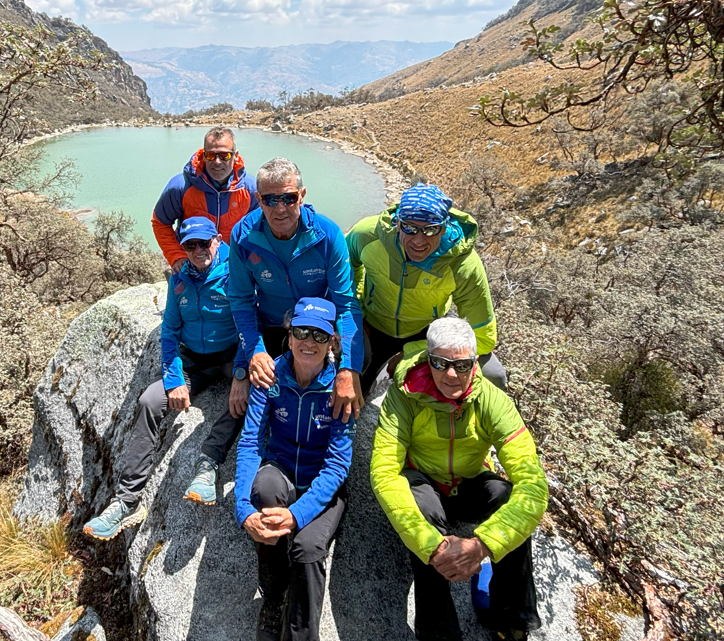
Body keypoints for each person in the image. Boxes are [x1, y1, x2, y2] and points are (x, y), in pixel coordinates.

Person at [370, 317, 569, 641]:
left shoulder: (492, 400)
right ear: (427, 360)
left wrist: (483, 545)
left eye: (462, 364)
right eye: (440, 363)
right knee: (421, 510)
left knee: (505, 493)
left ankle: (512, 638)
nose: (451, 373)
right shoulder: (404, 395)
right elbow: (384, 472)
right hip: (424, 480)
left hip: (468, 481)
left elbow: (532, 484)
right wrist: (432, 546)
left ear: (475, 364)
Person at [83, 218, 251, 540]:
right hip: (195, 361)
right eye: (191, 245)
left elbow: (248, 325)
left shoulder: (236, 273)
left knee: (255, 388)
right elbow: (170, 333)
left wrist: (242, 373)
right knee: (149, 400)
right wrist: (174, 380)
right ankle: (126, 501)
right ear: (183, 247)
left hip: (231, 356)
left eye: (204, 243)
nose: (199, 250)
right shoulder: (180, 281)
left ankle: (207, 464)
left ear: (217, 240)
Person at [234, 297, 354, 641]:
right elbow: (250, 441)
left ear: (331, 342)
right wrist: (243, 508)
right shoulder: (271, 379)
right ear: (288, 337)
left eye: (318, 334)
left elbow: (338, 466)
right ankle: (273, 596)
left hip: (323, 488)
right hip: (283, 471)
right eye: (301, 331)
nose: (308, 341)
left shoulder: (339, 390)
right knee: (265, 490)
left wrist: (298, 515)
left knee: (306, 549)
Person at [227, 157, 365, 423]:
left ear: (301, 196)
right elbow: (241, 300)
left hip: (320, 327)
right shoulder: (242, 236)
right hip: (272, 326)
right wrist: (253, 353)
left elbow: (346, 305)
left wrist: (349, 369)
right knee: (247, 399)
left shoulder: (327, 234)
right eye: (270, 199)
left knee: (359, 362)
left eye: (288, 198)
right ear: (258, 199)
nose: (280, 208)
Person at [347, 183, 507, 395]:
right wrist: (357, 313)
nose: (418, 241)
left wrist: (415, 352)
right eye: (409, 228)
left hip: (426, 332)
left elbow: (483, 337)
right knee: (354, 388)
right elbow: (347, 269)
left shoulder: (462, 263)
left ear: (443, 228)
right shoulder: (367, 235)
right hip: (373, 324)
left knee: (494, 375)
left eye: (431, 230)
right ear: (397, 223)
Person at [152, 125, 258, 271]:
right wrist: (176, 256)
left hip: (233, 265)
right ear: (203, 155)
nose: (217, 162)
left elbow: (261, 228)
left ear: (235, 156)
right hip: (192, 264)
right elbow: (160, 223)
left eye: (224, 155)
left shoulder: (251, 190)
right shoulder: (180, 187)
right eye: (211, 155)